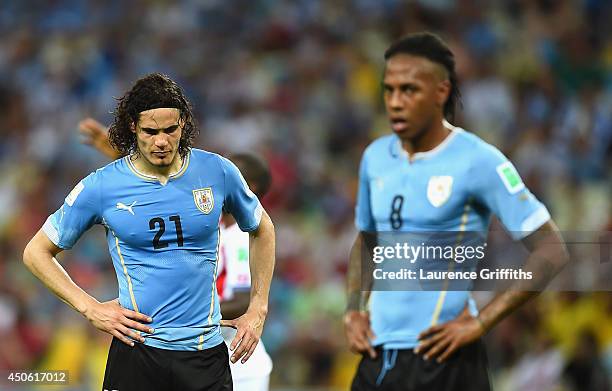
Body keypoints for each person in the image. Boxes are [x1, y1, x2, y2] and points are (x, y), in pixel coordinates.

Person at [23, 73, 276, 391]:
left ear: (183, 124)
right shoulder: (102, 186)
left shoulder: (217, 171)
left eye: (170, 130)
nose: (161, 141)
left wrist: (258, 308)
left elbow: (262, 228)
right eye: (150, 131)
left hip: (204, 355)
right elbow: (36, 252)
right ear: (132, 127)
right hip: (136, 353)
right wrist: (90, 308)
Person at [344, 32, 568, 390]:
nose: (395, 102)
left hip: (443, 359)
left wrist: (482, 322)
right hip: (377, 355)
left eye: (409, 90)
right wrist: (354, 309)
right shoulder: (375, 158)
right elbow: (368, 240)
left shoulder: (478, 160)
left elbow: (553, 249)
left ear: (441, 92)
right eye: (389, 90)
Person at [79, 120, 274, 390]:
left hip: (237, 358)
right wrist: (118, 156)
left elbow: (242, 298)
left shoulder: (243, 237)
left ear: (248, 186)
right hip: (189, 353)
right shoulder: (206, 223)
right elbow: (166, 186)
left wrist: (180, 312)